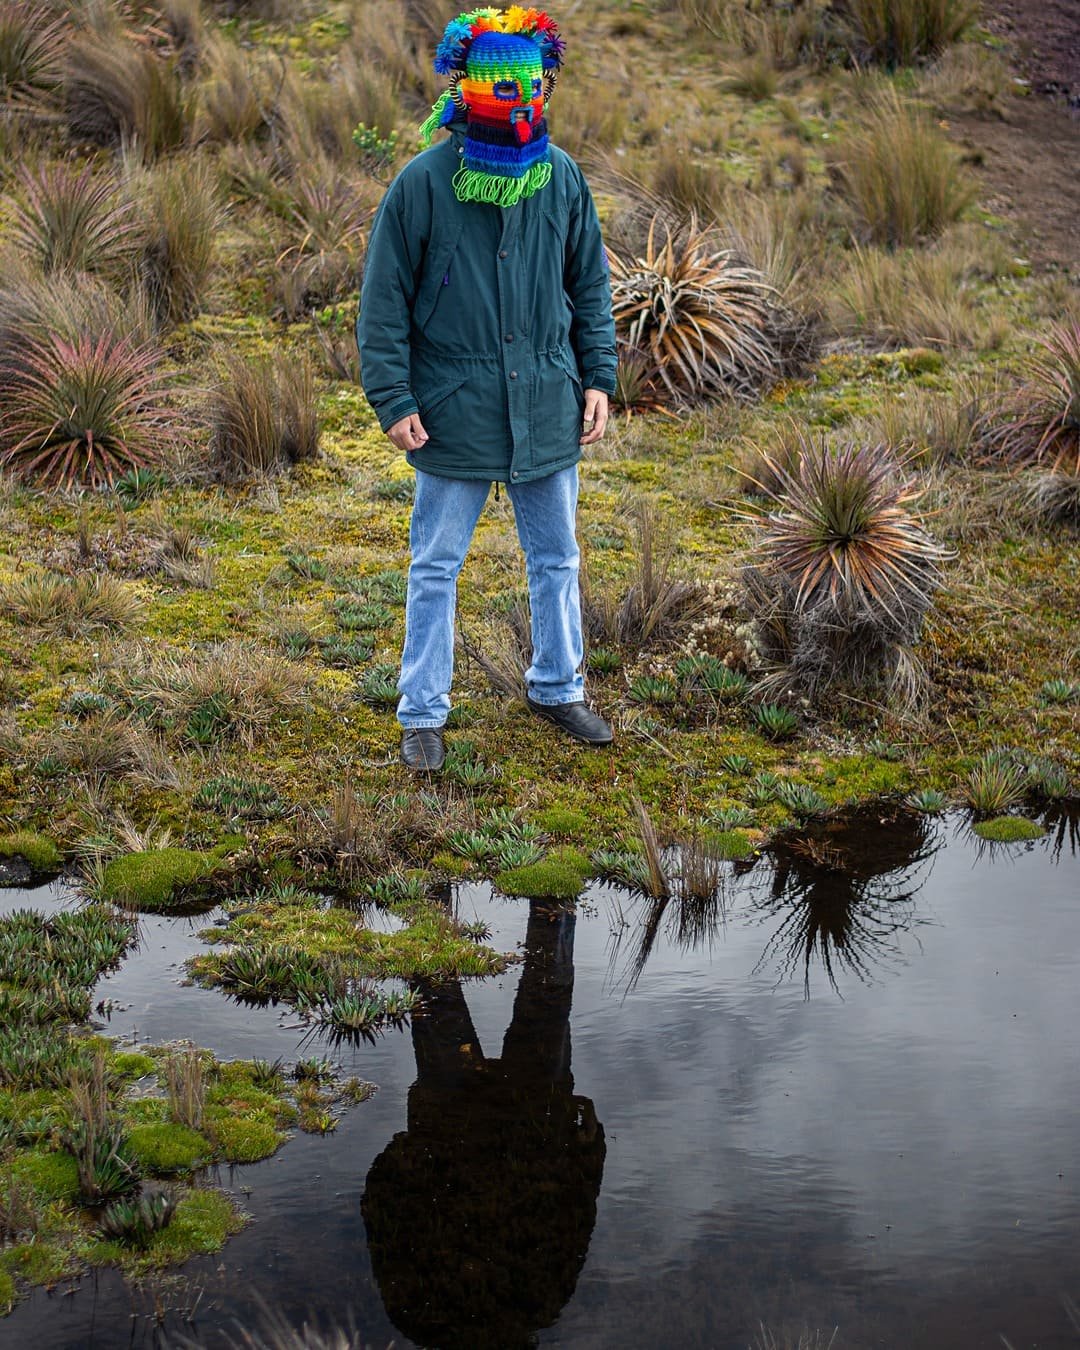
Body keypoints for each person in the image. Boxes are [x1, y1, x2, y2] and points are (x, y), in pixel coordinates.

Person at [357, 6, 617, 773]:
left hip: (546, 398)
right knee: (436, 561)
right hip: (452, 407)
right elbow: (382, 304)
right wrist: (394, 398)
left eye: (531, 85)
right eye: (502, 85)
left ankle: (557, 687)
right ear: (466, 88)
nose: (519, 100)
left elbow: (591, 286)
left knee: (558, 556)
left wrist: (599, 376)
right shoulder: (422, 184)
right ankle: (423, 711)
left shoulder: (561, 176)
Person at [361, 899, 605, 1347]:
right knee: (536, 992)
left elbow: (382, 1203)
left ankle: (437, 876)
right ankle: (546, 869)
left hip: (468, 1125)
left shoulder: (421, 1312)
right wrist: (590, 1146)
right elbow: (382, 1201)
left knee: (448, 992)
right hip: (521, 1127)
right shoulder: (530, 1303)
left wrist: (409, 1149)